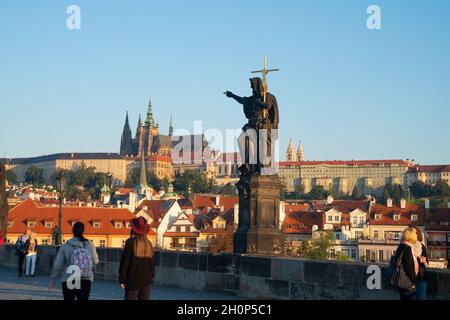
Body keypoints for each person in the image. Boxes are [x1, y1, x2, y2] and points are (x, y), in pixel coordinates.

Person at [49, 222, 99, 301]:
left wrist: (53, 278)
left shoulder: (66, 245)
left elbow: (58, 264)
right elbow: (95, 261)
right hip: (85, 279)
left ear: (72, 231)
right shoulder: (89, 244)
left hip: (69, 278)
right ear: (83, 231)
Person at [119, 217, 155, 300]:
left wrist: (122, 278)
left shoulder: (130, 242)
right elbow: (152, 263)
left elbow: (125, 262)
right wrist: (151, 275)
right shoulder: (148, 243)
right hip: (146, 279)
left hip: (133, 279)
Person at [394, 227, 419, 300]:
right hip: (406, 281)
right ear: (411, 236)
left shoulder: (401, 245)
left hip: (400, 279)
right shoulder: (407, 248)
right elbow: (408, 267)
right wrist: (413, 281)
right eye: (415, 234)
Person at [412, 226, 429, 300]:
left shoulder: (422, 247)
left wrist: (424, 260)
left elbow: (427, 264)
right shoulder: (407, 247)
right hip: (409, 278)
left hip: (421, 277)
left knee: (421, 298)